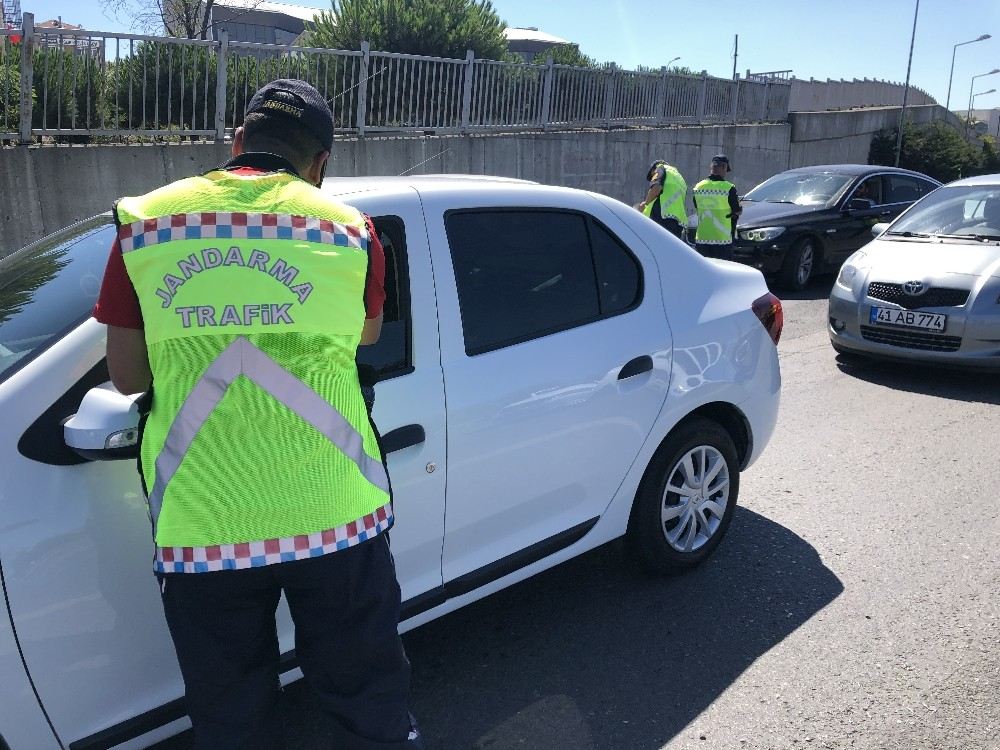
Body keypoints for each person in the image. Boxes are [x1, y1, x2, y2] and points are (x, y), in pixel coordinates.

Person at [92, 79, 423, 750]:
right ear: (321, 163)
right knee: (367, 704)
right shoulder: (351, 230)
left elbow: (126, 374)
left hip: (203, 528)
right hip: (338, 519)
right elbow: (363, 336)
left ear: (236, 142)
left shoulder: (147, 223)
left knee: (232, 720)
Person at [692, 154, 741, 260]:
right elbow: (737, 210)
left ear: (711, 167)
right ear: (724, 167)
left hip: (702, 238)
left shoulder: (698, 187)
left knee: (703, 271)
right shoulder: (729, 188)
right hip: (722, 240)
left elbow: (697, 206)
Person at [636, 159, 688, 239]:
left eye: (652, 176)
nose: (652, 179)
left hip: (662, 218)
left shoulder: (660, 168)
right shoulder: (679, 177)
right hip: (677, 222)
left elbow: (656, 187)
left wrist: (645, 204)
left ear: (654, 169)